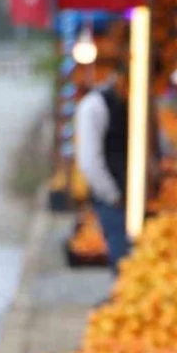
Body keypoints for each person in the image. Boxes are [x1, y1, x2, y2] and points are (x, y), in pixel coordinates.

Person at [75, 76, 131, 264]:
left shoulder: (134, 103)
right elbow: (89, 161)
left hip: (130, 195)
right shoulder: (94, 105)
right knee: (122, 257)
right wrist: (112, 195)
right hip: (114, 199)